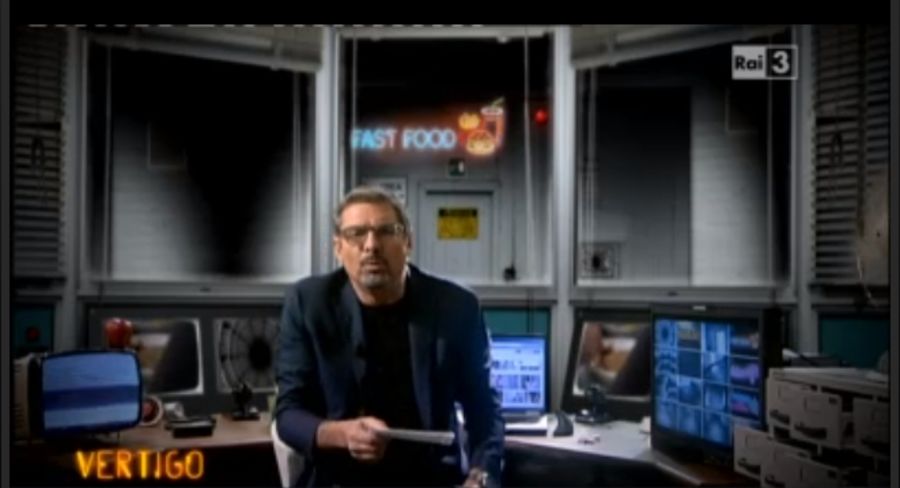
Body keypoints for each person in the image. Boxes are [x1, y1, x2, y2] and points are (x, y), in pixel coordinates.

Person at [275, 186, 504, 487]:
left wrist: (480, 476)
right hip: (341, 478)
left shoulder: (457, 307)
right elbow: (288, 414)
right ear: (338, 248)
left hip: (430, 478)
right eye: (356, 233)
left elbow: (484, 410)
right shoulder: (308, 303)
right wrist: (343, 434)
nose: (371, 245)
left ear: (408, 242)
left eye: (386, 231)